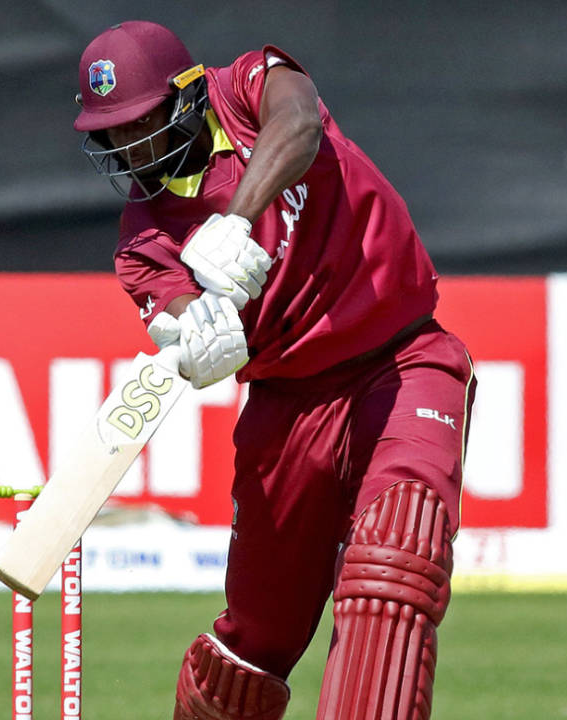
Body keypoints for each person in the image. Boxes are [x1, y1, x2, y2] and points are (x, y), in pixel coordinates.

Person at [73, 21, 476, 720]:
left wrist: (236, 218)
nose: (128, 147)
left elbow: (299, 126)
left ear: (188, 97)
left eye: (139, 124)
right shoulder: (143, 242)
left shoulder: (251, 85)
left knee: (394, 566)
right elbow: (176, 316)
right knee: (252, 652)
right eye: (111, 133)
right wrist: (195, 338)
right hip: (287, 406)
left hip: (403, 358)